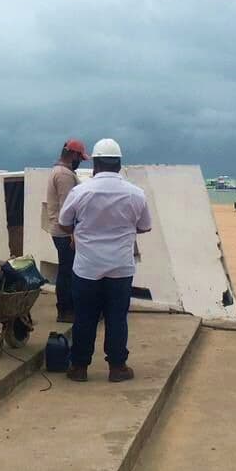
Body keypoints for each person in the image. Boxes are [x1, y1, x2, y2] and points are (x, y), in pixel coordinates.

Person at [57, 138, 152, 383]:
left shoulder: (81, 192)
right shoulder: (136, 194)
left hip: (87, 268)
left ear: (96, 165)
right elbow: (144, 227)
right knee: (117, 318)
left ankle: (79, 368)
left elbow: (64, 223)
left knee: (84, 317)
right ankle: (117, 367)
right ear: (119, 165)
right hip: (121, 267)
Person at [45, 139, 87, 323]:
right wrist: (73, 234)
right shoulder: (64, 175)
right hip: (65, 232)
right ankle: (66, 310)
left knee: (66, 270)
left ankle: (67, 309)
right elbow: (67, 207)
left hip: (60, 230)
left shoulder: (59, 171)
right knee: (67, 272)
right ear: (73, 155)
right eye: (80, 157)